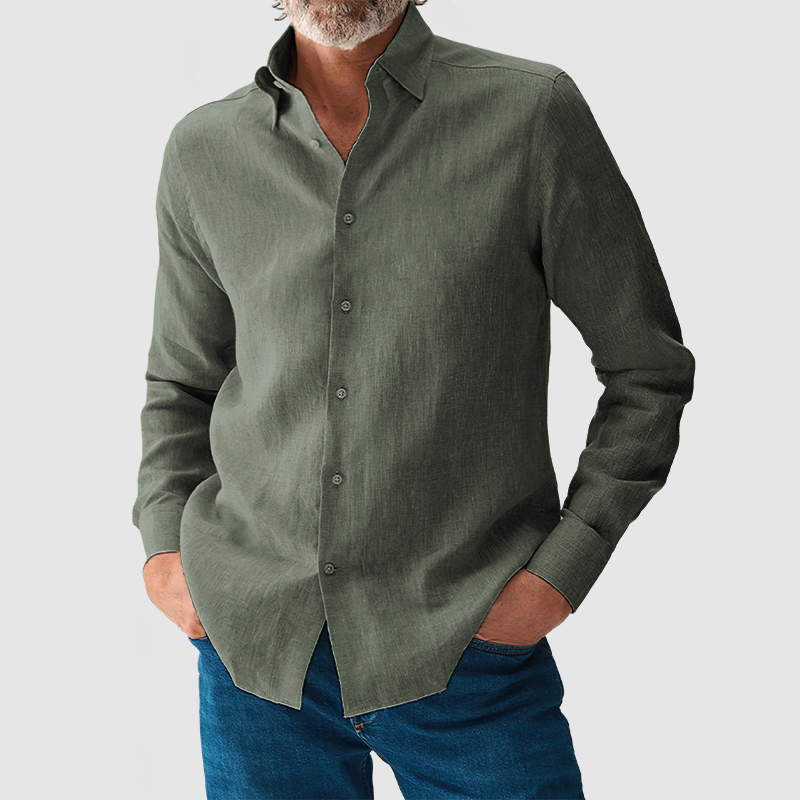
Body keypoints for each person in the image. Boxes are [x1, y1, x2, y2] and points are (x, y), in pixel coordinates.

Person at [133, 1, 695, 797]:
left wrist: (561, 572)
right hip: (255, 654)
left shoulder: (530, 115)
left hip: (466, 646)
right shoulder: (205, 150)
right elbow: (182, 382)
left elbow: (646, 369)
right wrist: (164, 550)